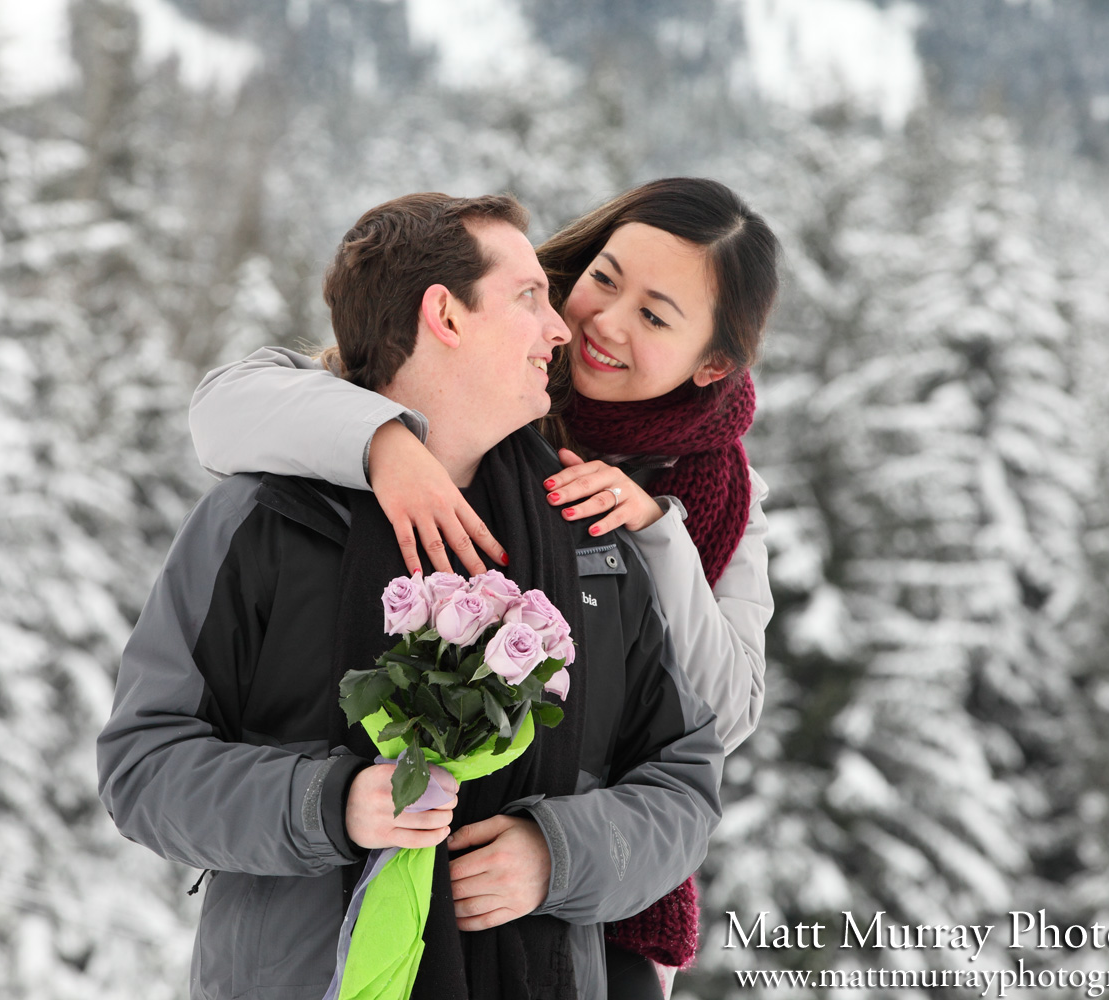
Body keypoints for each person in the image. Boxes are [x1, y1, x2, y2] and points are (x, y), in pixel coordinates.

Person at [97, 191, 722, 1000]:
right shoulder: (265, 523)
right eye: (529, 298)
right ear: (446, 316)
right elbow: (144, 767)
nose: (560, 327)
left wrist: (556, 855)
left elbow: (683, 777)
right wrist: (331, 806)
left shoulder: (588, 539)